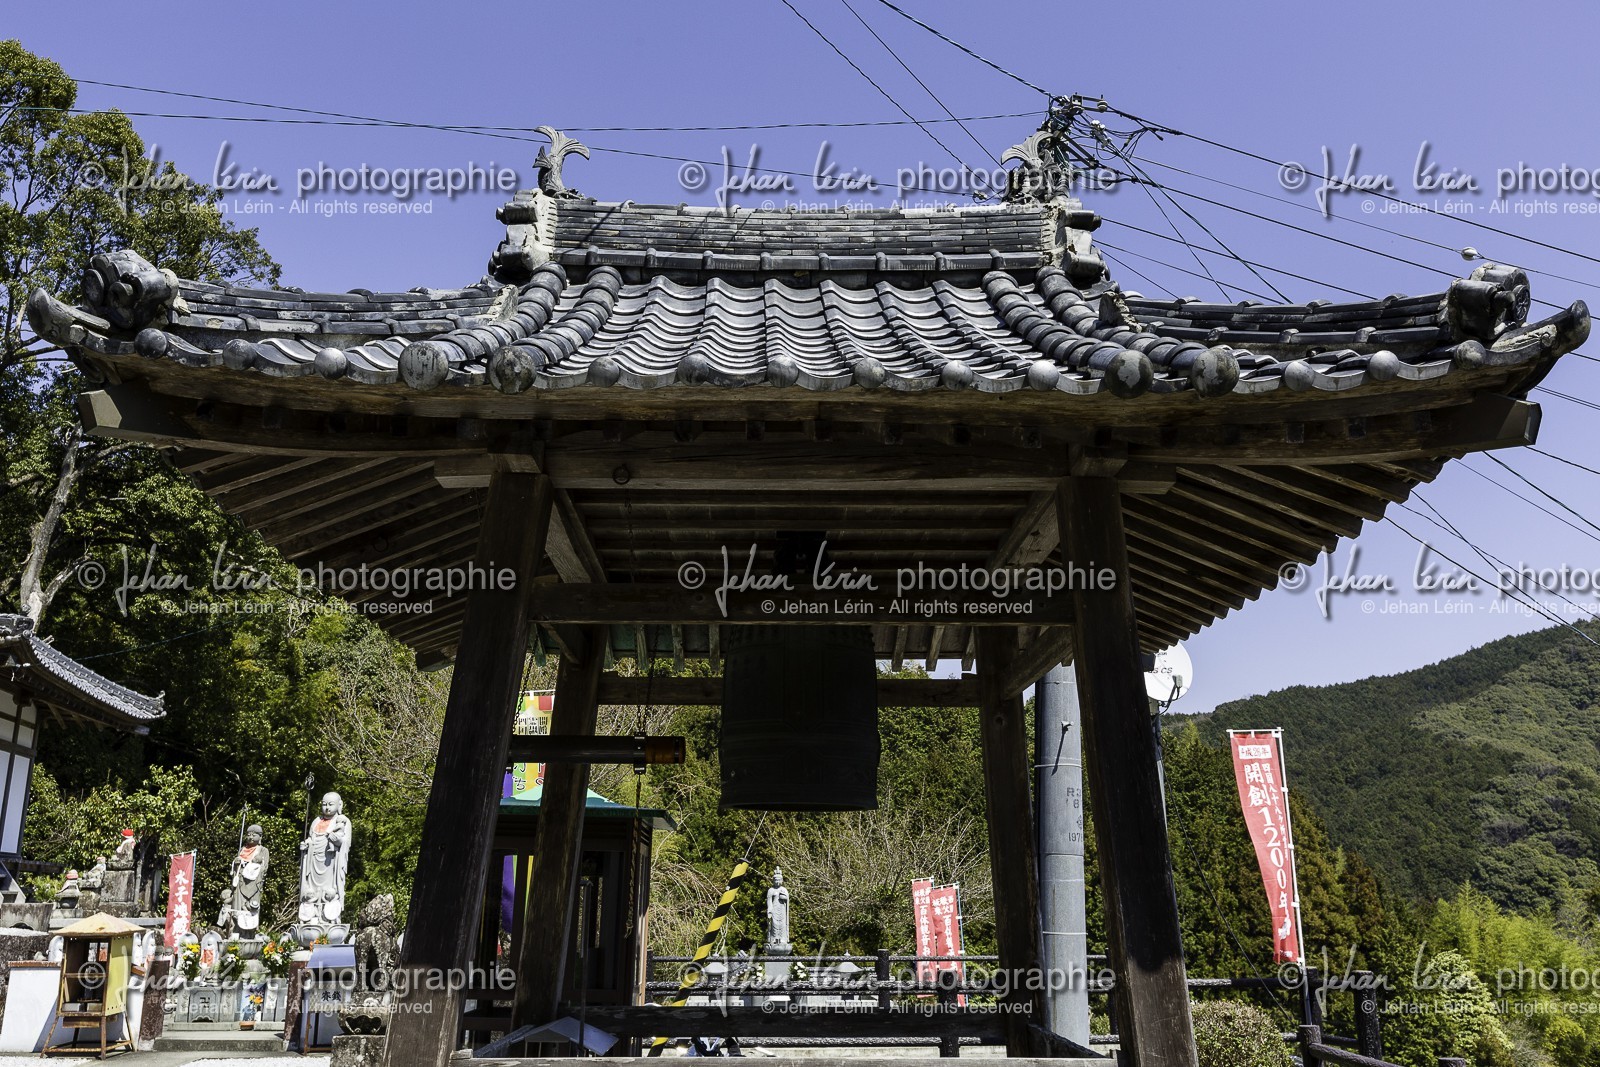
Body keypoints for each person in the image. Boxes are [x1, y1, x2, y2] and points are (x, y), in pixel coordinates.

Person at [299, 793, 351, 924]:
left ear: (339, 805)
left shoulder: (342, 821)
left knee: (330, 890)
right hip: (313, 861)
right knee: (311, 890)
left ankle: (329, 916)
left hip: (331, 862)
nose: (327, 807)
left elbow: (346, 842)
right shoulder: (316, 821)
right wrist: (306, 844)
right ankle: (310, 916)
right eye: (324, 804)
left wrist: (336, 839)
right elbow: (311, 838)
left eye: (330, 804)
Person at [229, 824, 270, 938]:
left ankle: (250, 934)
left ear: (260, 837)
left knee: (251, 907)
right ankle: (236, 932)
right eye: (249, 834)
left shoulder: (263, 850)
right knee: (237, 907)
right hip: (240, 882)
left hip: (253, 884)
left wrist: (254, 865)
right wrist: (236, 863)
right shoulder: (242, 849)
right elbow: (235, 869)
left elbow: (264, 868)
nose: (251, 837)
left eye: (254, 834)